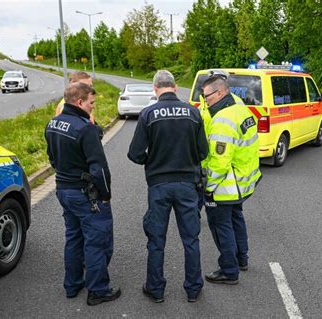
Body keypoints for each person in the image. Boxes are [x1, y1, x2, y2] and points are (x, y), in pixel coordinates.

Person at [128, 70, 208, 303]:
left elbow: (134, 153)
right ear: (174, 87)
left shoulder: (148, 114)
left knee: (156, 240)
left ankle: (156, 289)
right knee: (191, 239)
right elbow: (203, 151)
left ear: (155, 89)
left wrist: (151, 161)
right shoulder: (193, 113)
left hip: (159, 185)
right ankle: (193, 289)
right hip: (187, 185)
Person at [45, 82, 121, 306]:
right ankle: (98, 290)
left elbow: (52, 157)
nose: (92, 107)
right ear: (79, 102)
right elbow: (99, 168)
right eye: (91, 103)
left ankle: (72, 284)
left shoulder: (53, 123)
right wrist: (105, 194)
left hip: (63, 190)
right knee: (97, 241)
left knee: (73, 238)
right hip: (85, 194)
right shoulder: (84, 128)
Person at [200, 70, 262, 285]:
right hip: (242, 182)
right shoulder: (238, 108)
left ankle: (229, 270)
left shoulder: (223, 121)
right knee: (236, 219)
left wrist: (208, 186)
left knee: (220, 225)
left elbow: (219, 161)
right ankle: (241, 259)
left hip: (225, 185)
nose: (204, 101)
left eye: (206, 96)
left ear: (218, 93)